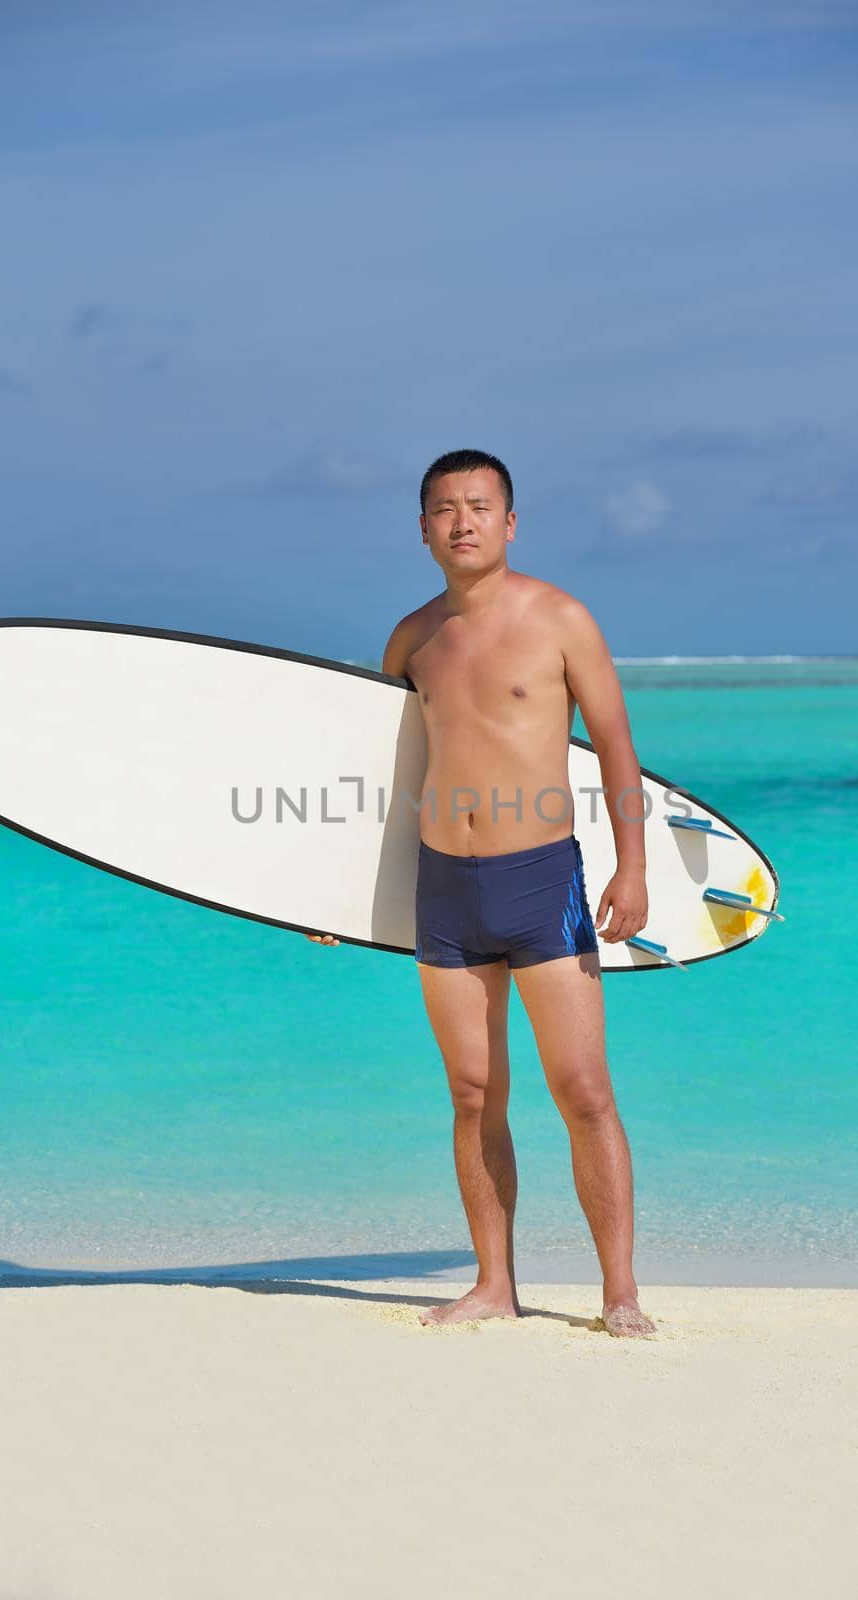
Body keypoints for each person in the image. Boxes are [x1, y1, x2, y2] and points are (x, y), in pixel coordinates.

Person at [307, 448, 656, 1339]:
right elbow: (384, 780)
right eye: (443, 509)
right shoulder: (411, 640)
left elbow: (615, 748)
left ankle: (619, 1295)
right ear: (422, 528)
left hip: (542, 880)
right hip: (444, 890)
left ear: (510, 522)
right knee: (472, 1097)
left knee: (582, 1092)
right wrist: (336, 899)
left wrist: (633, 865)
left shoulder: (560, 618)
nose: (461, 521)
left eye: (478, 505)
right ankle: (493, 1284)